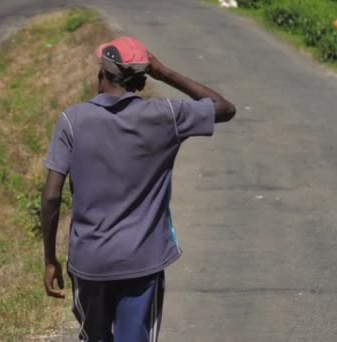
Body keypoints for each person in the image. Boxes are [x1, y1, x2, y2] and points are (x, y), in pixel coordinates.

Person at [41, 36, 236, 342]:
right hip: (142, 262)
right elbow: (223, 108)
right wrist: (166, 72)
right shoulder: (166, 116)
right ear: (143, 81)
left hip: (90, 261)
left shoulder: (72, 121)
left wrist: (50, 259)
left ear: (101, 75)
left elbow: (52, 196)